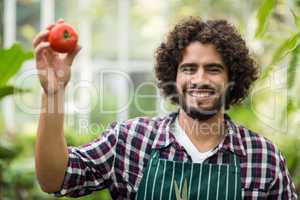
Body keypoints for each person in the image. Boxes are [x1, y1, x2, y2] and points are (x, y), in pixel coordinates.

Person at [32, 17, 298, 199]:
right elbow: (54, 179)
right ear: (174, 76)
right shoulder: (131, 140)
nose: (200, 79)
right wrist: (53, 93)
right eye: (189, 69)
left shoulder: (263, 157)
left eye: (213, 69)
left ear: (233, 79)